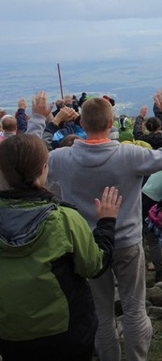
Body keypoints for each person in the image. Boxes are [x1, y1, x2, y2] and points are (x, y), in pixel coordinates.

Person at [26, 90, 162, 361]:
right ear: (111, 124)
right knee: (135, 310)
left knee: (101, 313)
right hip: (127, 241)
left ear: (82, 125)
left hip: (87, 245)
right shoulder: (129, 155)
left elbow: (32, 156)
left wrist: (42, 120)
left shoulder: (63, 159)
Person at [0, 134, 122, 361]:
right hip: (65, 331)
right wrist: (106, 223)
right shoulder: (64, 219)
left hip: (9, 333)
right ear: (44, 169)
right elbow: (94, 266)